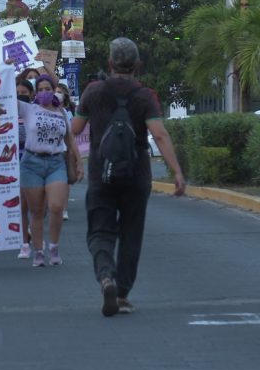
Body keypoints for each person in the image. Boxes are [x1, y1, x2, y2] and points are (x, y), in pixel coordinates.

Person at [71, 37, 185, 317]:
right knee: (131, 234)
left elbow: (74, 128)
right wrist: (177, 172)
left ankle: (105, 276)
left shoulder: (93, 91)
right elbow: (159, 133)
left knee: (100, 231)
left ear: (110, 64)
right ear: (137, 65)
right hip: (137, 175)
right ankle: (121, 294)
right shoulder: (144, 95)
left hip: (101, 173)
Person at [18, 75, 83, 267]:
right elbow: (3, 94)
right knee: (36, 211)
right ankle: (38, 251)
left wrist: (79, 162)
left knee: (55, 207)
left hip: (56, 162)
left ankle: (54, 246)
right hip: (31, 163)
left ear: (54, 90)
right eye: (41, 89)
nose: (44, 92)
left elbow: (70, 139)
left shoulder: (61, 112)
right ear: (35, 93)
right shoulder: (28, 109)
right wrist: (7, 67)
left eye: (48, 89)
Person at [15, 79, 34, 260]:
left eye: (24, 92)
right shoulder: (7, 109)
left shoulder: (35, 110)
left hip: (33, 159)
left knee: (37, 204)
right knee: (22, 202)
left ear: (31, 94)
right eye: (17, 92)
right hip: (14, 160)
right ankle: (24, 240)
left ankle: (33, 229)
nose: (21, 95)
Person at [56, 82, 77, 221]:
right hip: (54, 150)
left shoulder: (69, 111)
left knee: (66, 181)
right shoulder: (48, 109)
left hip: (67, 149)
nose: (57, 94)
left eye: (60, 92)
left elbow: (72, 133)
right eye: (55, 91)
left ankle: (64, 209)